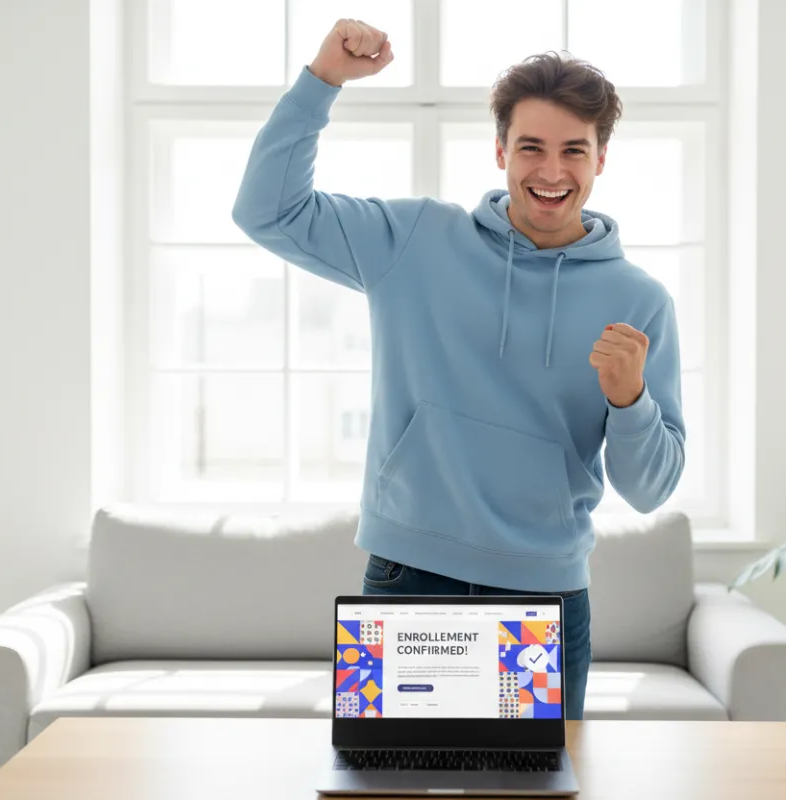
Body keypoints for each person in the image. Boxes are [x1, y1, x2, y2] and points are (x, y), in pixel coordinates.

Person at [232, 19, 685, 720]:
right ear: (501, 149)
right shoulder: (416, 239)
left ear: (601, 159)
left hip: (544, 600)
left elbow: (651, 488)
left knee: (535, 795)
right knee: (380, 789)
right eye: (531, 147)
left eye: (574, 150)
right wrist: (322, 80)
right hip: (406, 576)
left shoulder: (639, 303)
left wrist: (630, 402)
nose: (552, 172)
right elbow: (267, 211)